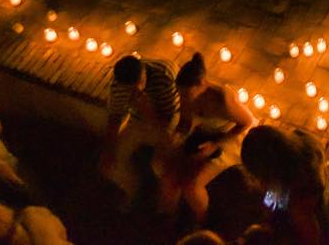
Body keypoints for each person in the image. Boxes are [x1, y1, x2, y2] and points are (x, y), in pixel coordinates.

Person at [162, 52, 256, 223]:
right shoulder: (186, 94)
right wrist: (176, 136)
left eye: (187, 93)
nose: (183, 98)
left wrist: (214, 145)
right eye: (180, 93)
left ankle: (201, 220)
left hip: (228, 139)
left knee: (192, 186)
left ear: (202, 84)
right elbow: (184, 123)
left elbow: (247, 122)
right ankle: (169, 217)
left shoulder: (224, 99)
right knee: (170, 173)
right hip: (203, 136)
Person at [101, 54, 179, 201]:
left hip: (168, 118)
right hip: (138, 118)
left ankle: (168, 201)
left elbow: (167, 118)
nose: (137, 89)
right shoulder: (119, 84)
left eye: (140, 82)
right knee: (112, 165)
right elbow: (114, 118)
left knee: (160, 165)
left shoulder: (165, 74)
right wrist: (109, 150)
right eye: (131, 87)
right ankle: (132, 190)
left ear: (144, 70)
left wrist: (146, 107)